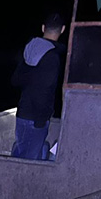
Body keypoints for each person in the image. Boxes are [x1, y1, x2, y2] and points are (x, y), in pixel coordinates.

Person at [10, 12, 67, 160]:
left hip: (23, 113)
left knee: (24, 153)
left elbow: (15, 80)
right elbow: (44, 90)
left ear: (43, 28)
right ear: (62, 30)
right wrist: (41, 120)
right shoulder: (52, 57)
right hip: (35, 119)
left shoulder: (29, 48)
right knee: (26, 163)